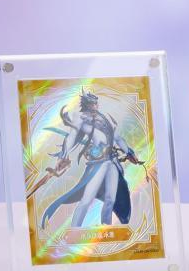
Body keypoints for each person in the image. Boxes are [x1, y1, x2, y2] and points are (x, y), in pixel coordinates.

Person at [39, 91, 141, 229]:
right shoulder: (80, 117)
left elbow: (118, 138)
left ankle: (106, 228)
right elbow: (72, 137)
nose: (95, 105)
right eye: (92, 103)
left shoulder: (105, 118)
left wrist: (129, 152)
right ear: (86, 104)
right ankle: (75, 230)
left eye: (96, 103)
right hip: (98, 163)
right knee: (86, 200)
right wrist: (64, 155)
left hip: (112, 161)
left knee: (110, 199)